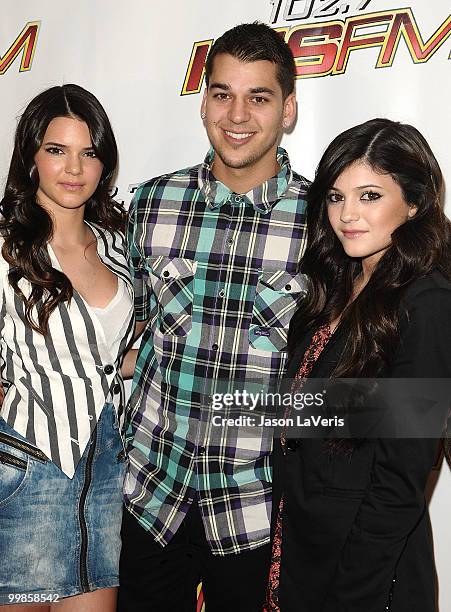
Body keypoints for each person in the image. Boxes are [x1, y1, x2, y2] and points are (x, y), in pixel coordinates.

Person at [119, 22, 309, 612]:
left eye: (260, 97)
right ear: (203, 102)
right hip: (151, 494)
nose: (238, 115)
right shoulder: (151, 203)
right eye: (223, 93)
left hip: (257, 507)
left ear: (289, 110)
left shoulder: (323, 222)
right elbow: (135, 332)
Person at [266, 118, 451, 612]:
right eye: (335, 196)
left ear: (413, 203)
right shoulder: (335, 285)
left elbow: (402, 479)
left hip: (364, 576)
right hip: (303, 551)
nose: (347, 214)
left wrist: (351, 595)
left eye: (369, 196)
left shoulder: (427, 302)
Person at [0, 84, 135, 611]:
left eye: (89, 152)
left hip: (104, 476)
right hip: (28, 469)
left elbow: (108, 354)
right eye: (57, 150)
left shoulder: (115, 244)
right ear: (31, 157)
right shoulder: (7, 246)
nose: (74, 167)